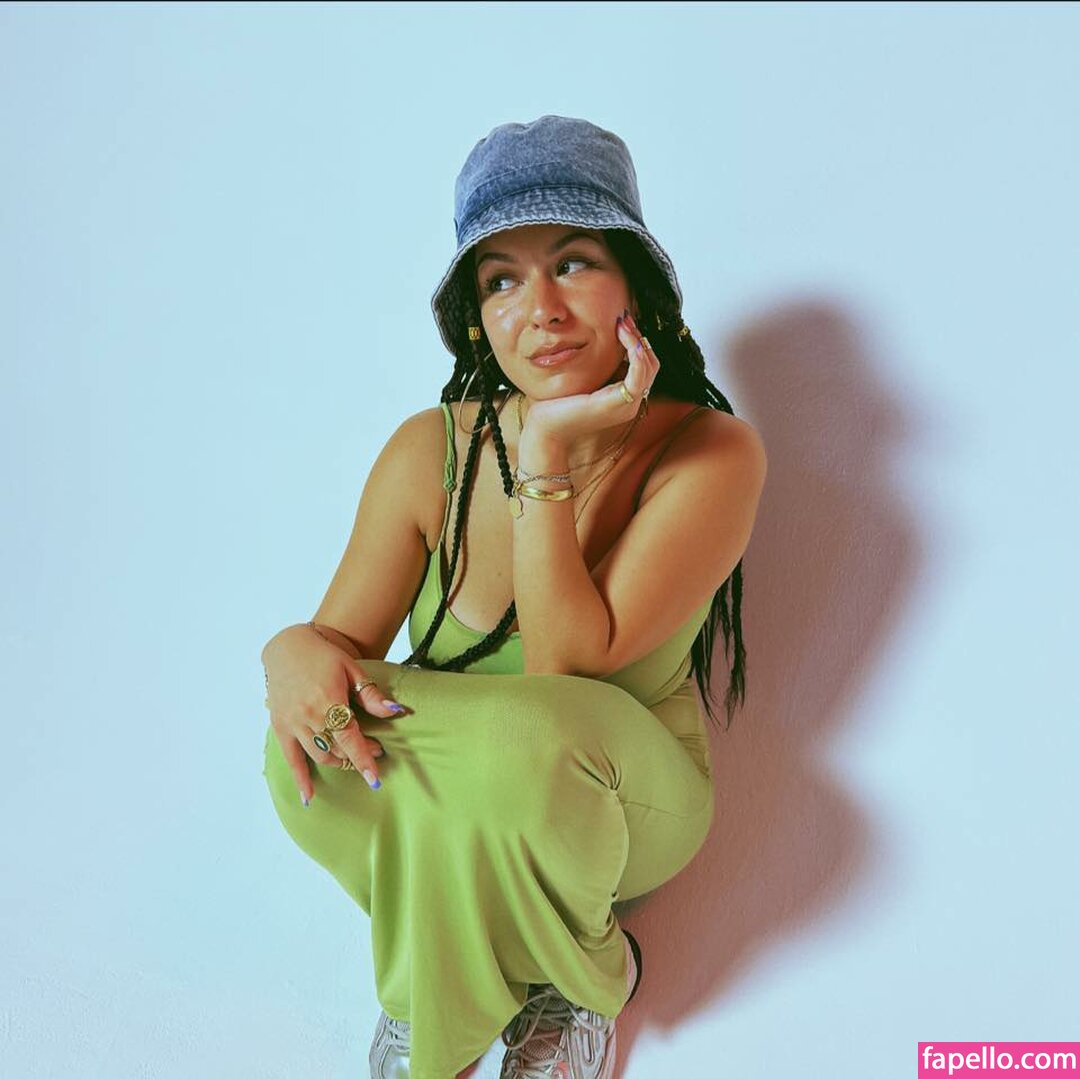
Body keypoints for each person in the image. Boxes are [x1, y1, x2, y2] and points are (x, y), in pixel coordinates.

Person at [260, 114, 767, 1079]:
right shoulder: (430, 447)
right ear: (477, 317)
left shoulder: (711, 451)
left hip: (619, 795)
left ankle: (532, 989)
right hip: (472, 784)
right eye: (501, 281)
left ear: (633, 286)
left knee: (526, 742)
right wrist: (287, 652)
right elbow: (336, 653)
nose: (540, 309)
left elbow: (565, 670)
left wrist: (545, 452)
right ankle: (500, 973)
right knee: (305, 756)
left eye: (572, 263)